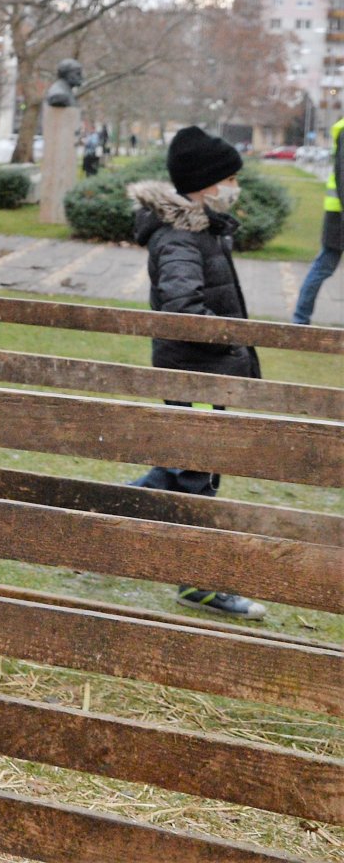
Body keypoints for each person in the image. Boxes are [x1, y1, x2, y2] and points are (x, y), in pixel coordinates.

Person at [125, 127, 268, 618]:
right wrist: (231, 339)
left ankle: (106, 514)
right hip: (194, 372)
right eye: (229, 179)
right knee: (196, 482)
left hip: (209, 371)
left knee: (186, 467)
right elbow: (184, 308)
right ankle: (199, 583)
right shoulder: (180, 238)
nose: (234, 188)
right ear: (205, 185)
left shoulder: (204, 230)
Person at [292, 115, 342, 326]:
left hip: (337, 214)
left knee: (323, 266)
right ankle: (300, 319)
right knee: (323, 266)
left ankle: (300, 319)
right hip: (340, 216)